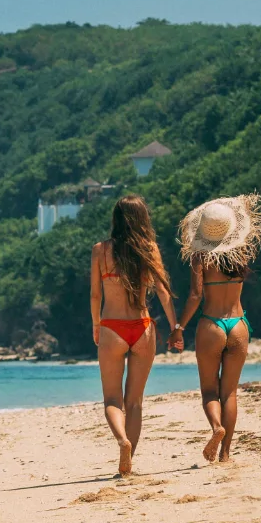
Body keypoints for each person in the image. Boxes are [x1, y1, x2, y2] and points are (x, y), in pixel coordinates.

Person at [89, 194, 182, 477]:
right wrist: (176, 328)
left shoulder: (100, 250)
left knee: (112, 401)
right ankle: (129, 465)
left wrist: (96, 324)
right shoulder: (149, 249)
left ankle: (122, 441)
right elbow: (164, 293)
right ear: (143, 219)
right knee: (135, 401)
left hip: (112, 328)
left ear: (116, 219)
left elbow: (95, 294)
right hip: (143, 328)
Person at [176, 195, 261, 463]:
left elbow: (195, 296)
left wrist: (179, 327)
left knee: (209, 391)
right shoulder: (240, 255)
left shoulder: (200, 257)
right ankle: (226, 454)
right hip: (238, 325)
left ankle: (216, 427)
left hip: (212, 324)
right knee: (229, 392)